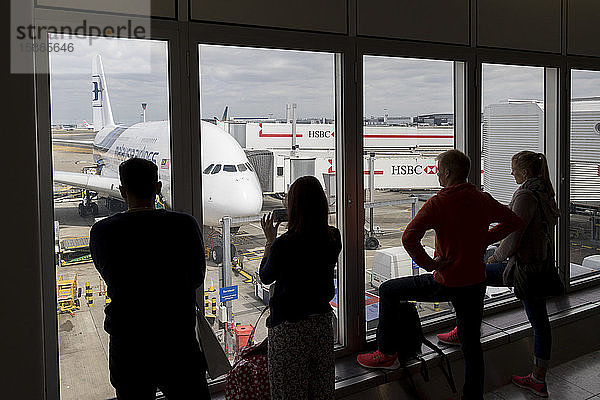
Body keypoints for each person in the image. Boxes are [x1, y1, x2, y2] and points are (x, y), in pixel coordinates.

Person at [357, 149, 524, 400]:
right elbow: (514, 222)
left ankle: (386, 353)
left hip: (447, 279)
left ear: (447, 173)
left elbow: (409, 238)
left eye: (438, 171)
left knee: (388, 290)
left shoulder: (439, 202)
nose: (437, 175)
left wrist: (430, 264)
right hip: (475, 281)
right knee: (472, 347)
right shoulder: (482, 199)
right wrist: (485, 239)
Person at [437, 151, 559, 398]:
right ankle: (538, 377)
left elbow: (514, 236)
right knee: (540, 321)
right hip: (540, 264)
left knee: (475, 276)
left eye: (513, 169)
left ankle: (464, 330)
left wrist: (493, 257)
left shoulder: (525, 195)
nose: (511, 173)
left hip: (524, 267)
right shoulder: (544, 190)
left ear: (524, 172)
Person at [89, 158, 210, 400]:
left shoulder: (103, 231)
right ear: (157, 188)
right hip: (176, 340)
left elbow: (110, 276)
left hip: (129, 341)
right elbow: (197, 276)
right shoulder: (185, 225)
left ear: (122, 191)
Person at [259, 175, 342, 400]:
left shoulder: (284, 244)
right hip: (322, 325)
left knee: (288, 392)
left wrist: (269, 241)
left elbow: (265, 277)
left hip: (290, 329)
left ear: (295, 207)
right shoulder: (334, 236)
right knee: (322, 390)